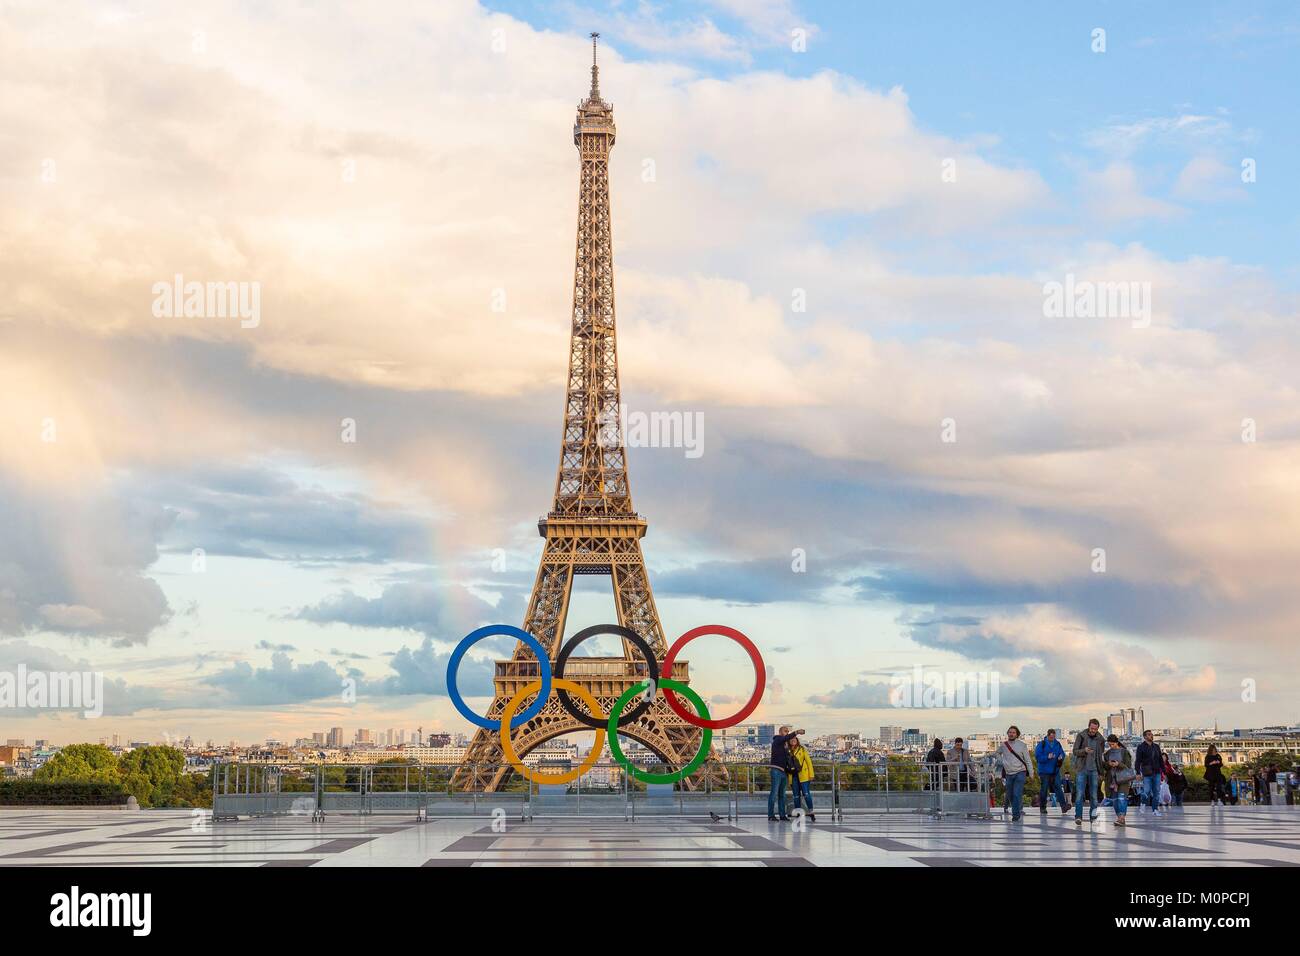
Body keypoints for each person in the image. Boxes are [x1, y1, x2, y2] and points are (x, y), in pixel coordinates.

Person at [993, 725, 1035, 822]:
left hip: (1020, 772)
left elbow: (1028, 760)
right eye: (1010, 732)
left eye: (1013, 732)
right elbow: (996, 753)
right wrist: (1002, 761)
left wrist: (1031, 773)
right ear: (1007, 733)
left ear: (1017, 734)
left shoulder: (1022, 745)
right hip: (1009, 773)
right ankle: (1016, 810)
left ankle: (1016, 814)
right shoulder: (1004, 745)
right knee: (1010, 794)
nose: (1011, 734)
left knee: (1017, 793)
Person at [1072, 718, 1106, 827]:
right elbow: (1075, 751)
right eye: (1091, 728)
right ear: (1088, 726)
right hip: (1082, 769)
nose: (1093, 731)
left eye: (1095, 729)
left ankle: (1093, 817)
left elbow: (1100, 756)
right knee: (1080, 794)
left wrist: (1101, 771)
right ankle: (1078, 817)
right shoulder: (1081, 736)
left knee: (1094, 795)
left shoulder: (1100, 739)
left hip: (1094, 770)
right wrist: (1084, 751)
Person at [767, 726, 804, 821]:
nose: (787, 732)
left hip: (783, 772)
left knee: (782, 795)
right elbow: (785, 738)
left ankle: (782, 815)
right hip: (776, 770)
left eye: (788, 731)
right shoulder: (778, 740)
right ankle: (771, 815)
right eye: (785, 731)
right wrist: (796, 732)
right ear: (780, 732)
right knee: (774, 793)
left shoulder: (785, 744)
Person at [1103, 734, 1134, 826]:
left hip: (1123, 779)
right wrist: (1109, 764)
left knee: (1121, 798)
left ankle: (1121, 818)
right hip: (1112, 781)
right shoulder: (1107, 754)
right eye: (1109, 744)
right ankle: (1120, 818)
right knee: (1115, 800)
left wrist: (1118, 764)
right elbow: (1104, 766)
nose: (1111, 746)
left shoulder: (1124, 752)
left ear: (1117, 743)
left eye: (1112, 744)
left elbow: (1128, 767)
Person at [1035, 728, 1069, 814]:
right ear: (1047, 735)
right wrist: (1047, 757)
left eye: (1053, 737)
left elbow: (1062, 753)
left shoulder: (1057, 744)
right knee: (1044, 789)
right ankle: (1043, 807)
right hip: (1044, 771)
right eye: (1051, 737)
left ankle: (1063, 806)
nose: (1052, 739)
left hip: (1055, 770)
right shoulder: (1041, 744)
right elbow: (1038, 758)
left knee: (1058, 787)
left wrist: (1061, 756)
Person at [1134, 729, 1165, 816]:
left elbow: (1160, 760)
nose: (1151, 736)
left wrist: (1164, 771)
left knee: (1157, 792)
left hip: (1157, 772)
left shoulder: (1156, 747)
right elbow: (1138, 761)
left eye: (1151, 734)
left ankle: (1155, 810)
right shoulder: (1141, 747)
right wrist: (1137, 772)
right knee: (1146, 791)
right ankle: (1143, 803)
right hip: (1147, 773)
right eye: (1148, 734)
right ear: (1144, 737)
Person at [789, 734, 816, 822]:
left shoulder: (802, 749)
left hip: (804, 775)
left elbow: (809, 762)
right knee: (796, 796)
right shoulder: (787, 751)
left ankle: (811, 811)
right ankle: (798, 812)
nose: (793, 740)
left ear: (797, 740)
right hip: (793, 776)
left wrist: (811, 774)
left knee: (806, 794)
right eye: (791, 739)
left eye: (794, 739)